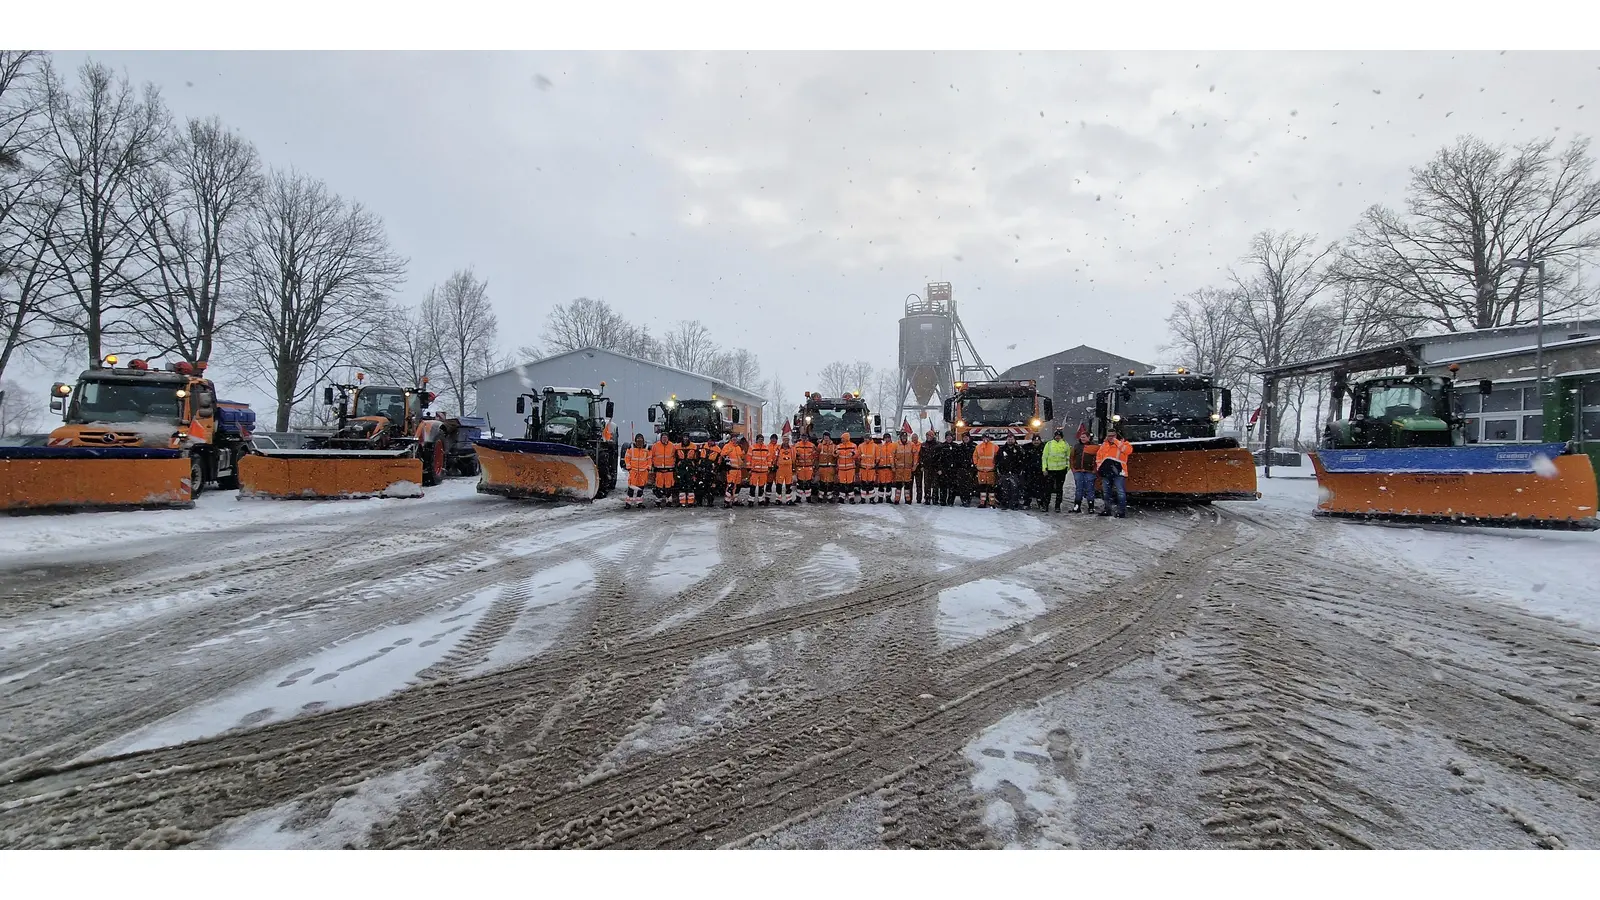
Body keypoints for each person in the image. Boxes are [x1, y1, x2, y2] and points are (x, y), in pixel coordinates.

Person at [1095, 426, 1134, 518]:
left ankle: (1121, 512)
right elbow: (1098, 457)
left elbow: (1128, 451)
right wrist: (1100, 468)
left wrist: (1117, 442)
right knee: (1106, 493)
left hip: (1120, 472)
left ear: (1116, 435)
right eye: (1109, 436)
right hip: (1106, 472)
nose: (1111, 437)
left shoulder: (1124, 443)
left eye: (1113, 436)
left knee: (1120, 492)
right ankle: (1107, 510)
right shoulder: (1104, 445)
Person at [1041, 428, 1071, 513]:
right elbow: (1044, 457)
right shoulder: (1049, 444)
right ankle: (1046, 505)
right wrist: (1044, 468)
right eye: (1056, 436)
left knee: (1059, 489)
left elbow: (1068, 457)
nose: (1057, 437)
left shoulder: (1065, 444)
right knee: (1048, 489)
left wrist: (1067, 468)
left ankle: (1057, 506)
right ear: (1054, 436)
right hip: (1050, 470)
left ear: (1061, 437)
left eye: (1059, 436)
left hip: (1061, 471)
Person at [994, 433, 1027, 510]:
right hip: (1004, 472)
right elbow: (997, 460)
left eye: (1012, 439)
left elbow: (1023, 460)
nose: (1010, 441)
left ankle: (1014, 503)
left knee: (1015, 488)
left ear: (1014, 440)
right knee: (1004, 488)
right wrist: (1000, 469)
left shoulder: (1019, 449)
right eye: (1008, 439)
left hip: (1015, 472)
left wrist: (1019, 470)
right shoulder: (1002, 449)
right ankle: (1005, 503)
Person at [1070, 425, 1098, 513]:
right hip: (1078, 471)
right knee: (1079, 489)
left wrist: (1094, 470)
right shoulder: (1076, 446)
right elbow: (1071, 458)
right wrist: (1073, 469)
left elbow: (1097, 459)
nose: (1082, 439)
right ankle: (1077, 506)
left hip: (1090, 472)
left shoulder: (1095, 447)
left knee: (1090, 489)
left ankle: (1091, 507)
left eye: (1084, 437)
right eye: (1081, 437)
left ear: (1089, 438)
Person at [650, 431, 678, 508]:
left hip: (669, 470)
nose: (664, 439)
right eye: (663, 437)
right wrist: (652, 466)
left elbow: (676, 456)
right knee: (659, 486)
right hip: (659, 470)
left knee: (669, 487)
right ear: (661, 438)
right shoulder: (655, 446)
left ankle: (669, 501)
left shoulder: (672, 446)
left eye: (666, 437)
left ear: (668, 438)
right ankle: (658, 501)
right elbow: (651, 456)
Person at [623, 433, 652, 508]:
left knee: (641, 488)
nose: (639, 443)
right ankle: (628, 503)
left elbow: (649, 459)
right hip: (634, 471)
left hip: (643, 472)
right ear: (635, 441)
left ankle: (639, 503)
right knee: (631, 487)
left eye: (641, 441)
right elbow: (627, 458)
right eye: (638, 441)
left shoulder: (647, 449)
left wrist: (648, 468)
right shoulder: (631, 448)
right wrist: (629, 468)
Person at [950, 432, 977, 507]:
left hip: (970, 469)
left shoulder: (974, 446)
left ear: (969, 438)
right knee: (961, 486)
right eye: (964, 437)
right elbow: (955, 457)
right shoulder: (960, 447)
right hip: (961, 469)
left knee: (969, 486)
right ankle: (963, 500)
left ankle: (968, 500)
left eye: (967, 437)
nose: (965, 439)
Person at [973, 434, 998, 508]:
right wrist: (976, 464)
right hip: (981, 471)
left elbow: (998, 456)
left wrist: (996, 465)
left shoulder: (994, 447)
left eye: (987, 438)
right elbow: (975, 456)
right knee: (982, 488)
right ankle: (982, 503)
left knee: (991, 488)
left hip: (991, 471)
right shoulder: (978, 447)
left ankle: (992, 503)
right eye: (984, 438)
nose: (985, 439)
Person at [746, 434, 772, 506]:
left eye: (762, 439)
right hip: (754, 471)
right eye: (760, 439)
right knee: (752, 487)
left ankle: (761, 500)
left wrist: (769, 467)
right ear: (757, 440)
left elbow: (769, 459)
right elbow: (748, 458)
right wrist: (748, 468)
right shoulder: (752, 447)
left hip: (763, 471)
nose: (761, 441)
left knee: (761, 487)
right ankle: (751, 501)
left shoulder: (766, 448)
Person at [1025, 433, 1048, 510]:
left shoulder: (1045, 448)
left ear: (1040, 441)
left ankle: (1041, 503)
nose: (1036, 442)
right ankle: (1027, 503)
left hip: (1040, 471)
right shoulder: (1027, 447)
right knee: (1028, 487)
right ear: (1032, 441)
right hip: (1029, 471)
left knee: (1041, 489)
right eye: (1034, 440)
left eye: (1038, 441)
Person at [892, 431, 916, 504]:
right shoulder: (895, 445)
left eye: (905, 437)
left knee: (907, 486)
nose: (904, 438)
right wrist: (893, 466)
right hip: (899, 470)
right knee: (898, 486)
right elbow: (892, 457)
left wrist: (914, 465)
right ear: (900, 437)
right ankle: (897, 500)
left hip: (908, 470)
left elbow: (915, 456)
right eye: (903, 436)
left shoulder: (911, 445)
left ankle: (908, 500)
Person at [723, 435, 747, 508]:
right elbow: (722, 454)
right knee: (730, 485)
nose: (734, 440)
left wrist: (743, 453)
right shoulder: (727, 446)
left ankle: (735, 500)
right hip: (731, 469)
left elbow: (740, 457)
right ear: (730, 439)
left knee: (737, 486)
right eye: (733, 439)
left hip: (738, 470)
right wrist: (728, 451)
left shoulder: (738, 447)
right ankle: (727, 501)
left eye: (735, 439)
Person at [836, 431, 859, 503]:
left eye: (843, 438)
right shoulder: (839, 446)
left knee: (850, 484)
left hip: (850, 468)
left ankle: (851, 498)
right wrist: (835, 453)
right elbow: (834, 454)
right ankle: (841, 498)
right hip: (841, 469)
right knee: (842, 484)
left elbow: (856, 453)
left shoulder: (853, 445)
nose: (841, 439)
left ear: (846, 438)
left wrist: (852, 454)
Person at [795, 432, 817, 502]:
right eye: (803, 437)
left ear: (807, 438)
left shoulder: (812, 445)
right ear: (801, 438)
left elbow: (816, 456)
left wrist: (813, 464)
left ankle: (808, 498)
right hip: (800, 467)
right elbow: (793, 456)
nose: (804, 439)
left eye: (805, 437)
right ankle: (798, 498)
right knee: (800, 483)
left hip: (809, 467)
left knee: (808, 483)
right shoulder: (797, 445)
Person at [776, 433, 797, 505]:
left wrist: (794, 467)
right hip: (780, 469)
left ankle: (789, 500)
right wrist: (774, 465)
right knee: (779, 485)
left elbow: (794, 458)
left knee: (788, 485)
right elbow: (775, 457)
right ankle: (778, 500)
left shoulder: (792, 449)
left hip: (789, 469)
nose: (786, 442)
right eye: (785, 440)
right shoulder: (778, 448)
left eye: (787, 440)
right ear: (782, 440)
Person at [817, 432, 838, 502]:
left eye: (827, 436)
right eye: (825, 437)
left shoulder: (834, 446)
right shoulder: (820, 446)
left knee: (830, 482)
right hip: (822, 467)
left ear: (829, 437)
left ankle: (830, 497)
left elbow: (836, 456)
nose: (826, 438)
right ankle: (820, 497)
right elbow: (816, 456)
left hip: (831, 467)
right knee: (822, 482)